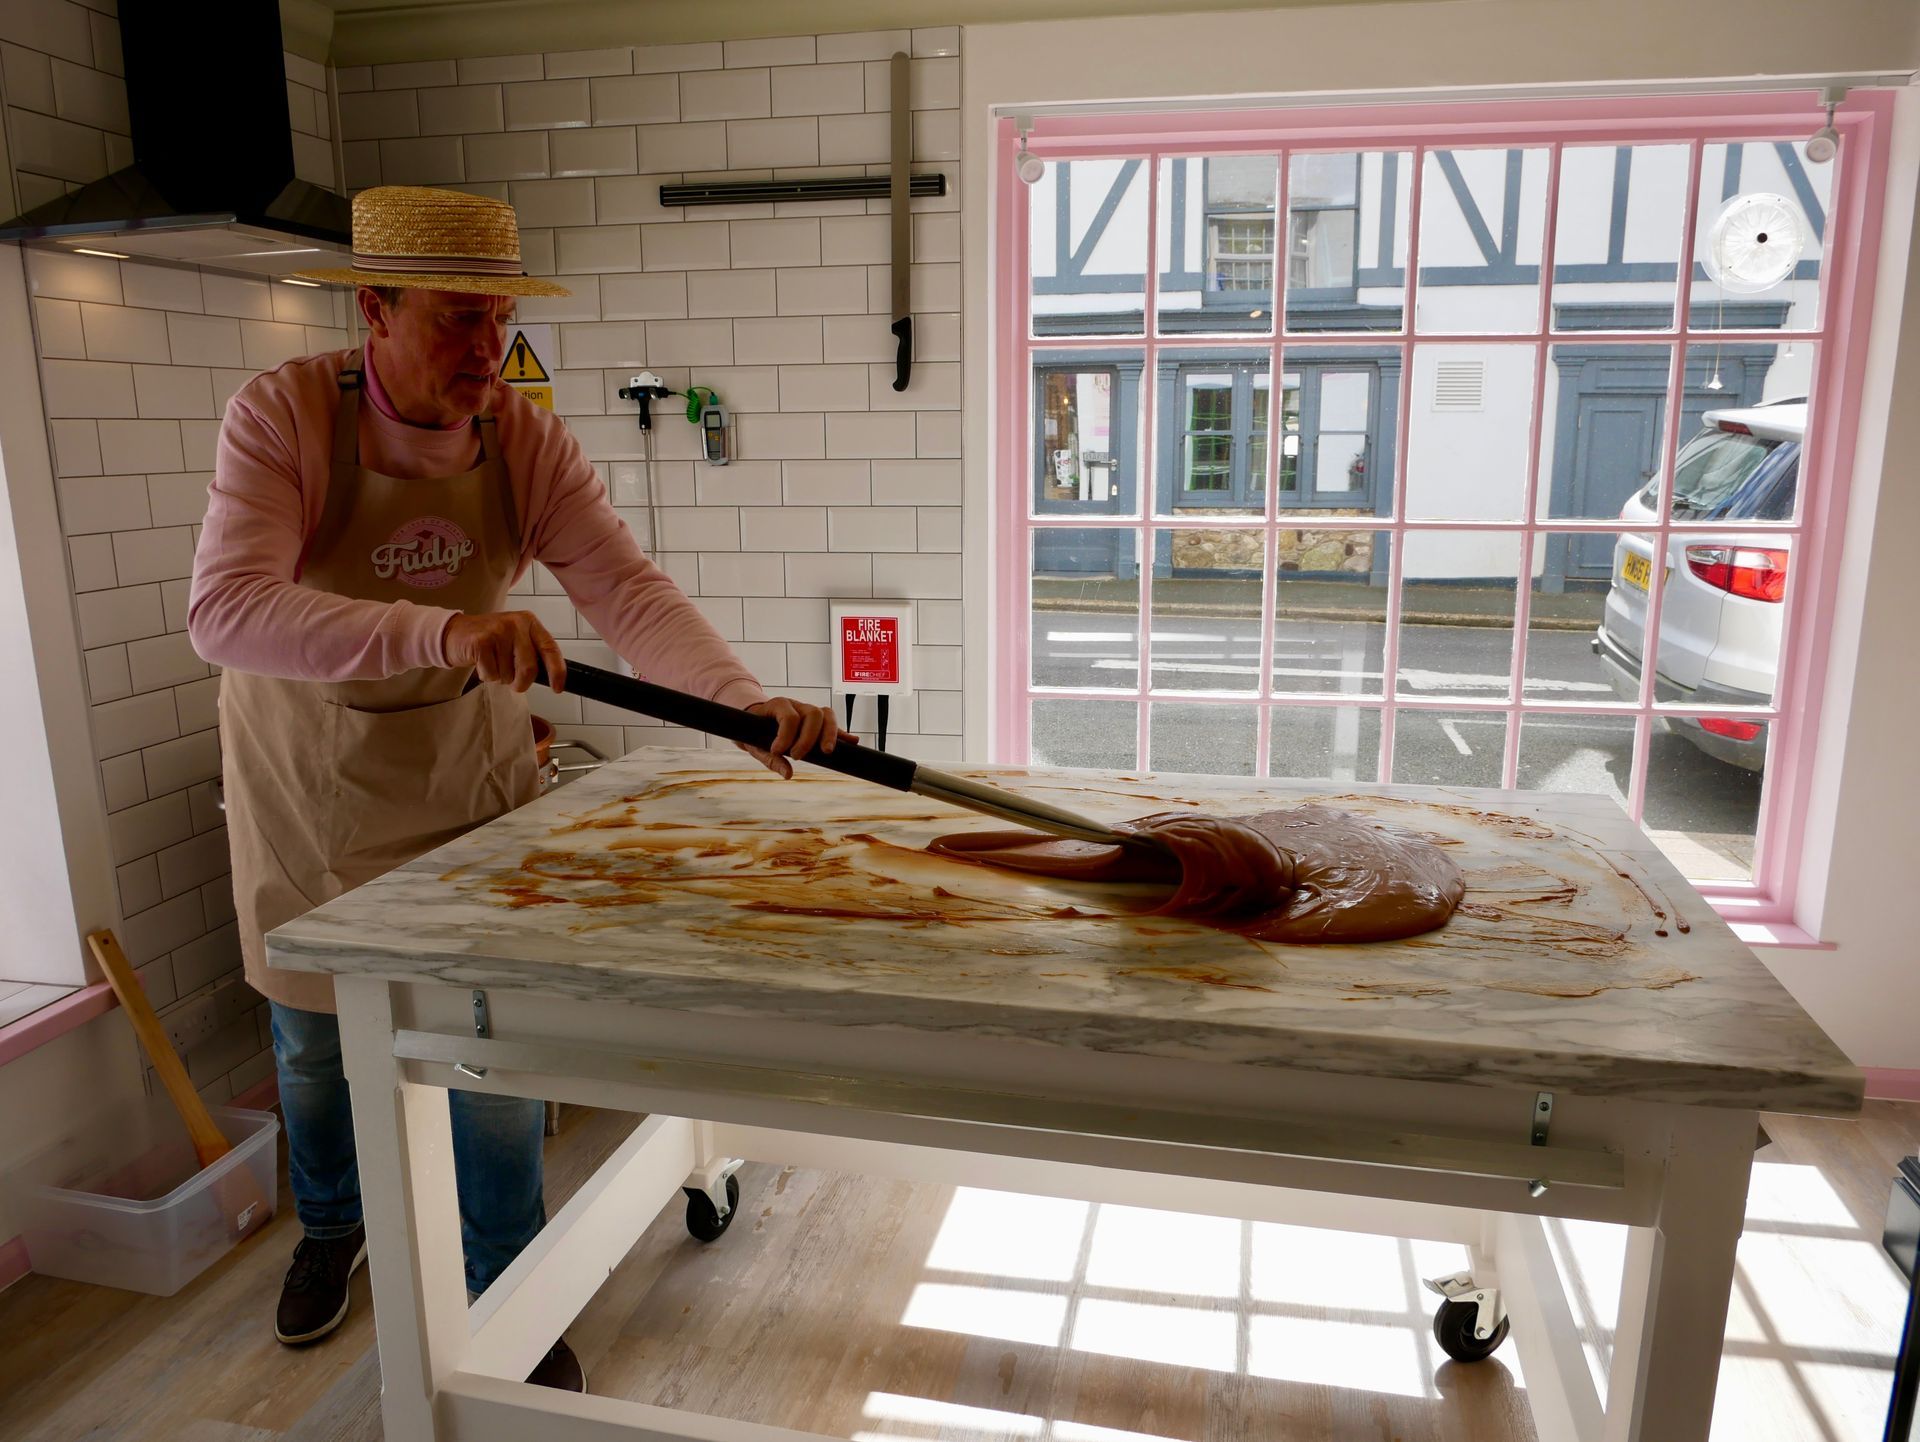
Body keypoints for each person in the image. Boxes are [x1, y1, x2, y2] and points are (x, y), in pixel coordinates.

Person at [187, 185, 847, 1392]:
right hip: (308, 792)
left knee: (488, 1055)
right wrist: (442, 629)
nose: (487, 347)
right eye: (457, 317)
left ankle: (510, 1282)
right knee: (314, 1043)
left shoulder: (522, 438)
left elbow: (626, 590)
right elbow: (225, 611)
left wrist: (738, 701)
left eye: (499, 318)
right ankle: (330, 1225)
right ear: (374, 309)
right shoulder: (283, 415)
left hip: (467, 788)